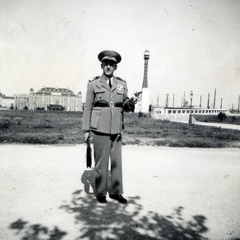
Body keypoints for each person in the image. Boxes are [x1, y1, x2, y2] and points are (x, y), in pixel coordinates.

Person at [82, 50, 136, 204]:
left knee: (117, 162)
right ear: (101, 65)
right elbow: (87, 109)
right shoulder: (93, 84)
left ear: (115, 66)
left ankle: (116, 192)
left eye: (111, 64)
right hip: (99, 128)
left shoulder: (122, 84)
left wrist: (129, 103)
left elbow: (125, 106)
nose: (108, 66)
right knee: (101, 162)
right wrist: (86, 130)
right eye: (106, 64)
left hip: (116, 128)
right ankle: (100, 193)